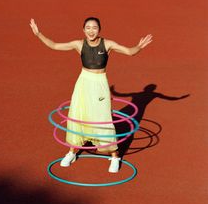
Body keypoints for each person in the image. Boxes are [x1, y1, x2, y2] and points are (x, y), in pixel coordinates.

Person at [29, 17, 152, 172]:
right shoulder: (78, 44)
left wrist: (139, 46)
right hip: (83, 82)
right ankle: (72, 151)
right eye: (88, 27)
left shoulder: (108, 44)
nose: (91, 30)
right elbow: (54, 45)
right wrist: (38, 33)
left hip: (100, 83)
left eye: (94, 27)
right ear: (83, 30)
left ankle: (115, 155)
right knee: (78, 115)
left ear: (99, 29)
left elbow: (129, 52)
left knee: (102, 118)